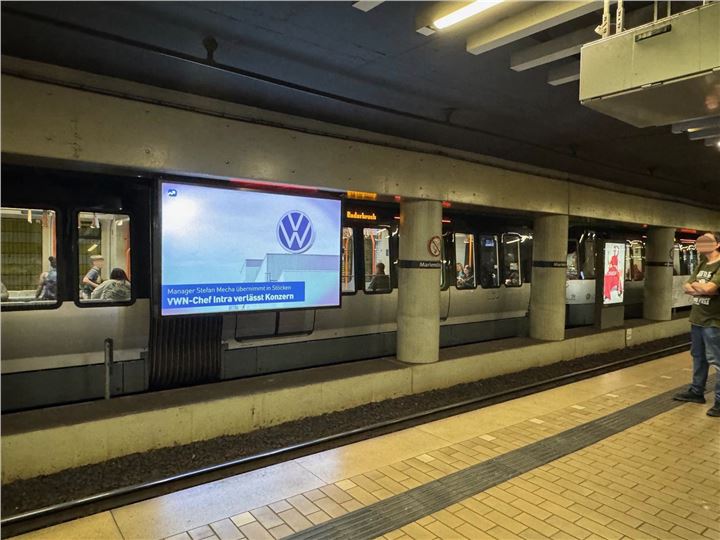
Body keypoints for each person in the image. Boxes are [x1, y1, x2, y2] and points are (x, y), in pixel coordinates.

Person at [673, 231, 720, 417]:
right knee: (698, 357)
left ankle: (719, 401)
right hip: (697, 318)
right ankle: (696, 391)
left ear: (717, 244)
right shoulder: (702, 263)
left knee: (717, 360)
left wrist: (701, 289)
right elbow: (687, 286)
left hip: (714, 321)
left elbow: (710, 288)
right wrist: (702, 289)